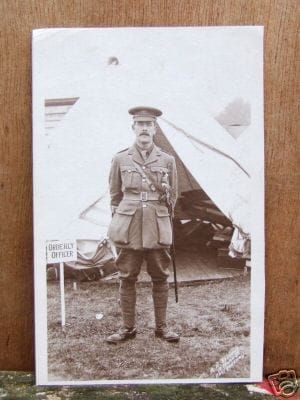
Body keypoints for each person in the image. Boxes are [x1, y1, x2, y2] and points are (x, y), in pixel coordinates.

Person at [106, 106, 179, 344]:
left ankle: (162, 328)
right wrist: (120, 222)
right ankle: (127, 328)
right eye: (140, 124)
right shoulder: (120, 158)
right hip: (129, 227)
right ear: (133, 128)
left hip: (157, 226)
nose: (144, 129)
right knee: (127, 276)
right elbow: (115, 196)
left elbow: (173, 197)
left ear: (155, 129)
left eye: (149, 124)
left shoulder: (167, 160)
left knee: (160, 276)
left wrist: (162, 220)